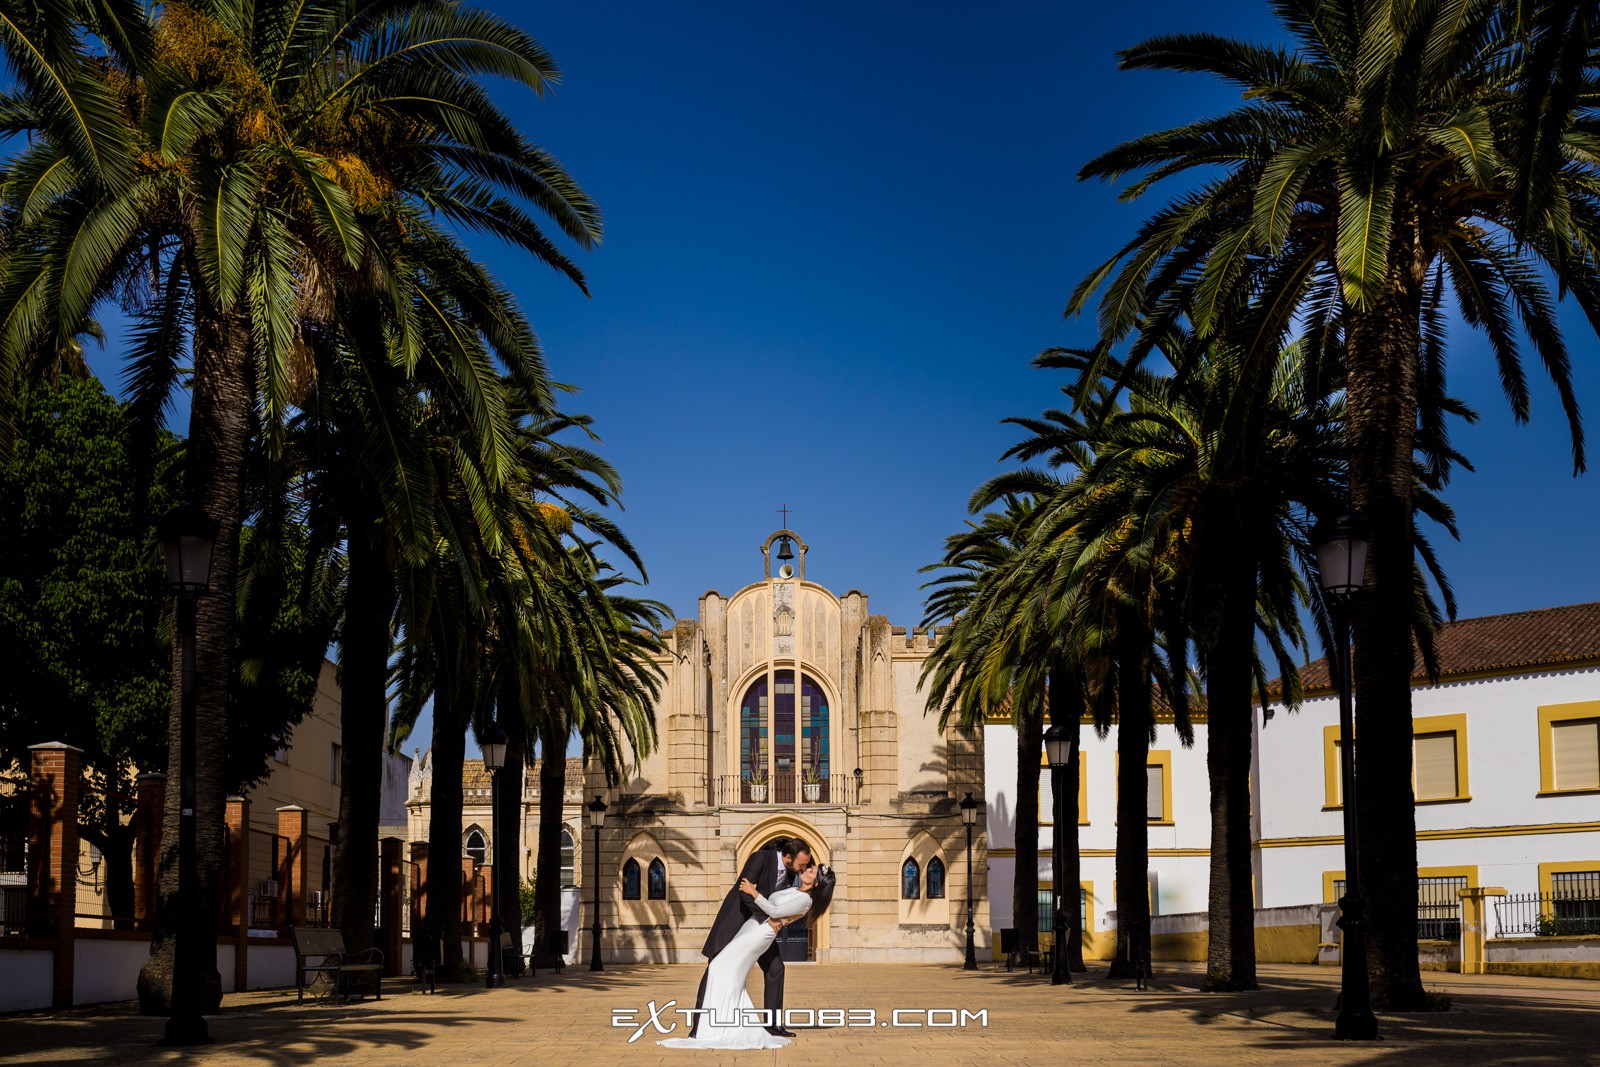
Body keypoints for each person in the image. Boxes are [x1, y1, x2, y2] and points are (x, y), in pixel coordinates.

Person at [660, 862, 836, 1050]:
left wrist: (753, 892)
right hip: (752, 926)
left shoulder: (806, 901)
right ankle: (724, 1021)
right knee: (726, 971)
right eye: (809, 868)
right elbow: (772, 906)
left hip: (760, 933)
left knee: (719, 967)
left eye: (812, 871)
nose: (806, 870)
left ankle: (721, 1024)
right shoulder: (794, 890)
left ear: (817, 883)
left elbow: (775, 911)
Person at [689, 837, 811, 1037]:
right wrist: (769, 919)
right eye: (802, 864)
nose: (804, 869)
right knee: (715, 966)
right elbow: (744, 893)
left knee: (776, 969)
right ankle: (698, 1026)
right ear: (788, 857)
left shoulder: (791, 873)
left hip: (759, 928)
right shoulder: (760, 858)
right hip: (736, 921)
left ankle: (772, 1025)